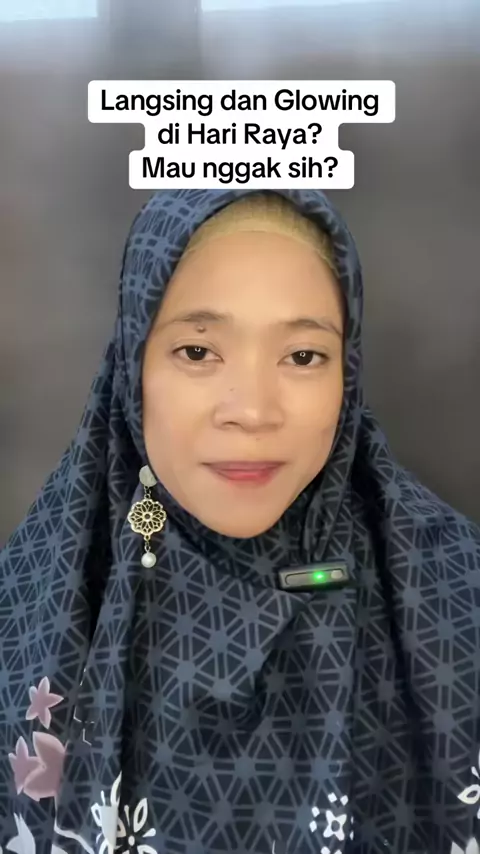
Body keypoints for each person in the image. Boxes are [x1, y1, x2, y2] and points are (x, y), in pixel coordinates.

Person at [1, 189, 479, 854]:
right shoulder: (31, 610)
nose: (252, 411)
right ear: (134, 368)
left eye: (303, 356)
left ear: (347, 374)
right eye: (198, 352)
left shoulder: (456, 593)